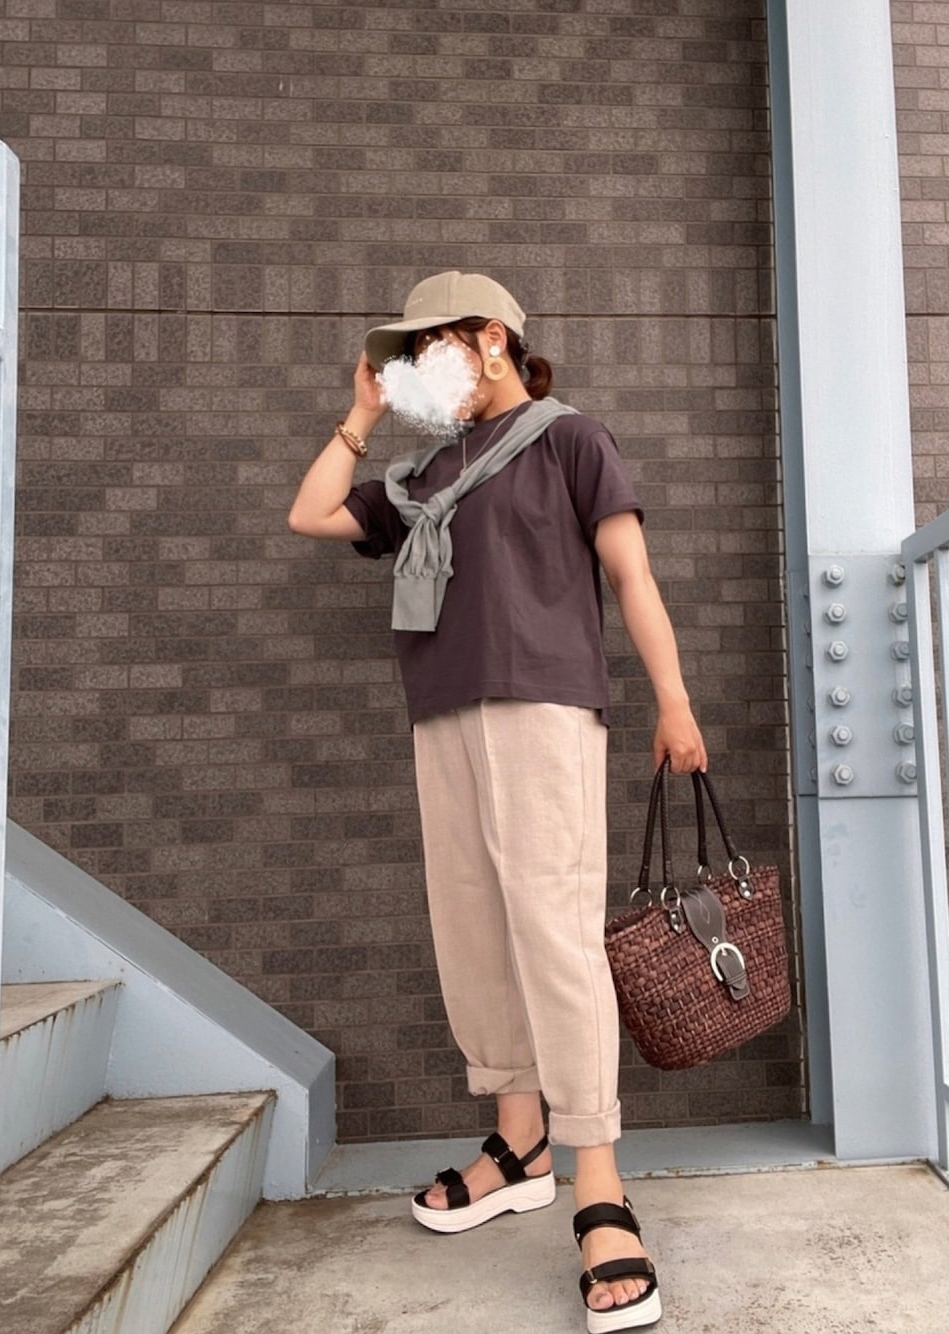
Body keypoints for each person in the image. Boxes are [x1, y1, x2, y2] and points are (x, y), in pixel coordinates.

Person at [288, 271, 706, 1333]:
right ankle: (519, 1143)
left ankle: (598, 1183)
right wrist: (362, 412)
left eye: (425, 349)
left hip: (543, 706)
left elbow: (632, 577)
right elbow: (311, 512)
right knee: (472, 929)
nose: (416, 372)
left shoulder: (572, 441)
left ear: (487, 338)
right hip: (441, 713)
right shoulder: (427, 471)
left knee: (555, 934)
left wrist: (672, 699)